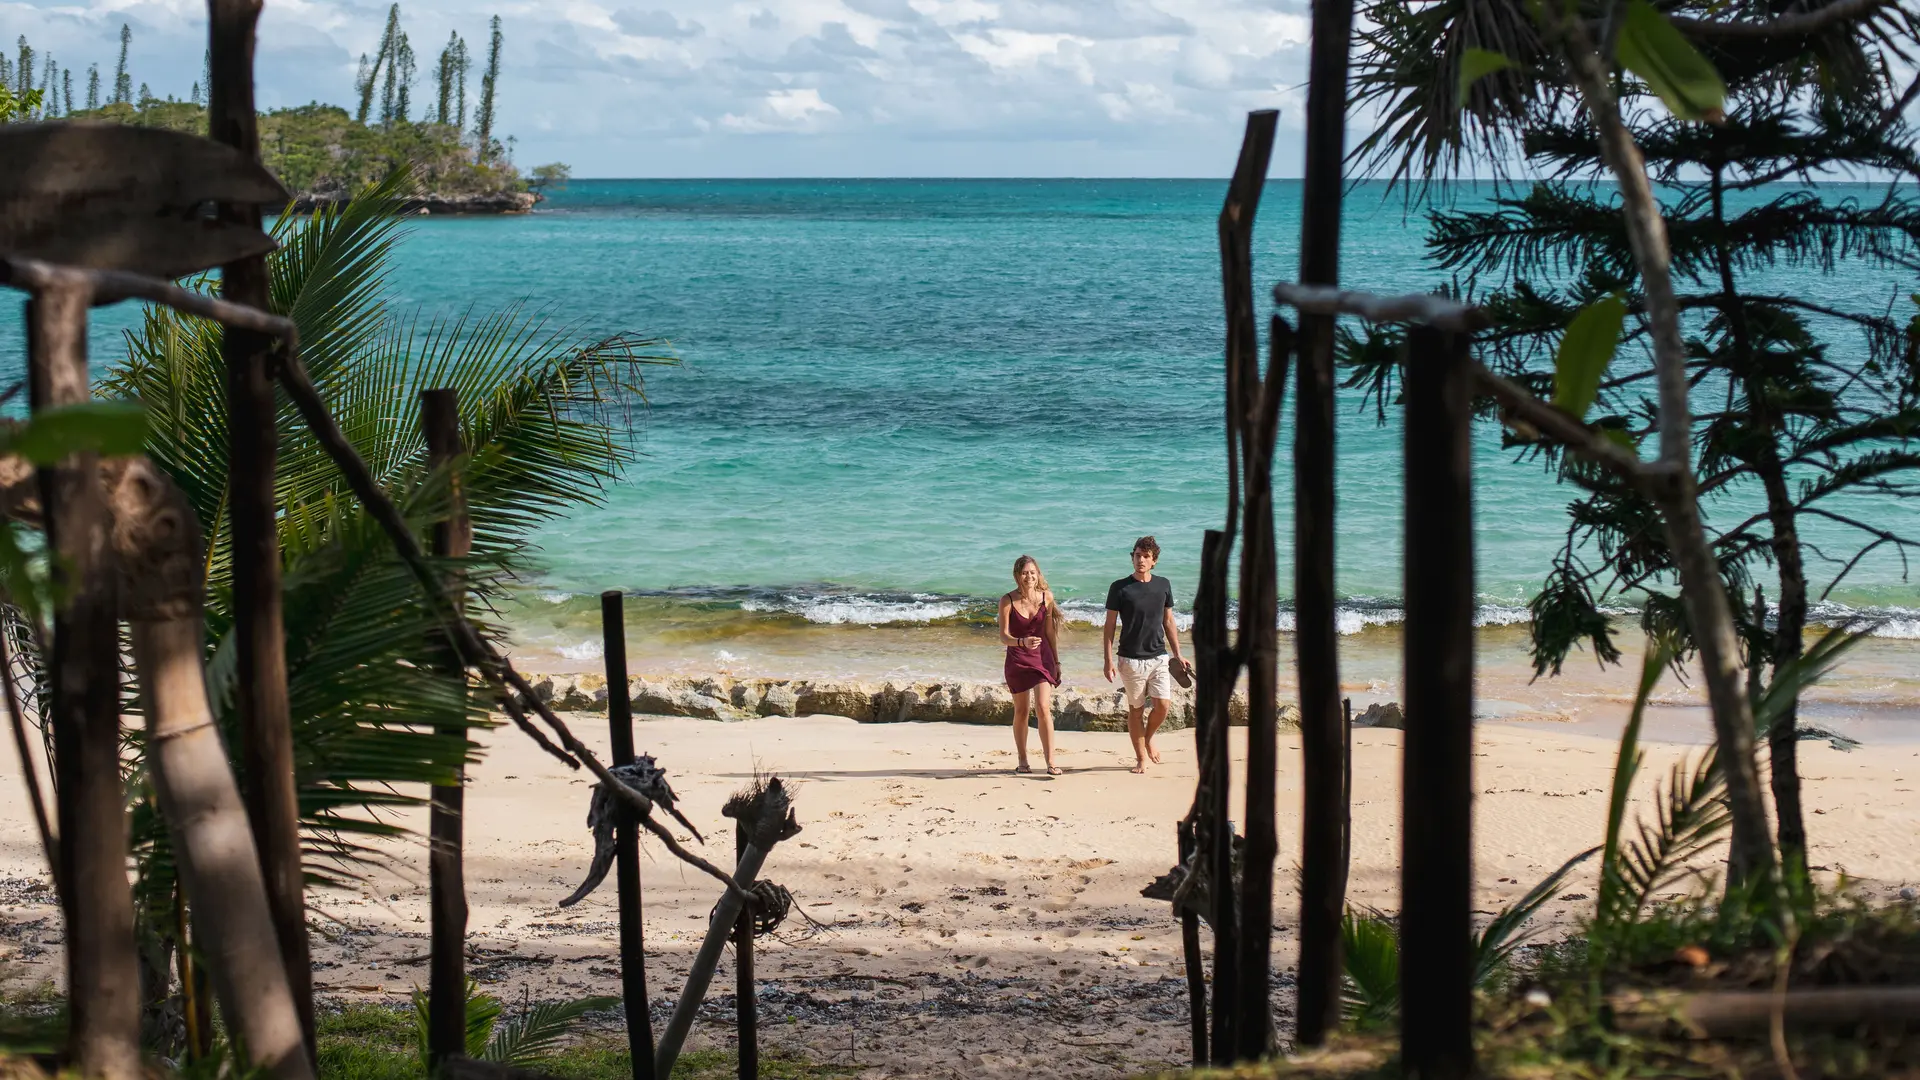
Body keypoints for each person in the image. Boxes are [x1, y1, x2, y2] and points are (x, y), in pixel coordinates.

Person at [1102, 535, 1187, 774]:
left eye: (1146, 556)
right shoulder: (1119, 587)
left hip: (1159, 657)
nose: (1140, 560)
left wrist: (1178, 654)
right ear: (1132, 557)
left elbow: (1168, 620)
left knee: (1163, 706)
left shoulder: (1163, 585)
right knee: (1136, 710)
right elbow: (1109, 626)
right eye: (1137, 555)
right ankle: (1141, 758)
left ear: (1154, 561)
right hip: (1130, 660)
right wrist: (1108, 660)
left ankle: (1148, 738)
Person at [999, 554, 1064, 776]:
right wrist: (1021, 642)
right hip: (1017, 658)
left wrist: (1056, 661)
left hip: (1042, 658)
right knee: (1022, 710)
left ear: (1038, 574)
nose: (1029, 577)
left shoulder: (1047, 597)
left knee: (1044, 707)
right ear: (1017, 576)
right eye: (1025, 573)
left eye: (1032, 572)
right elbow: (1004, 637)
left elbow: (1049, 633)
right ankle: (1023, 760)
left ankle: (1051, 762)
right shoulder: (1007, 600)